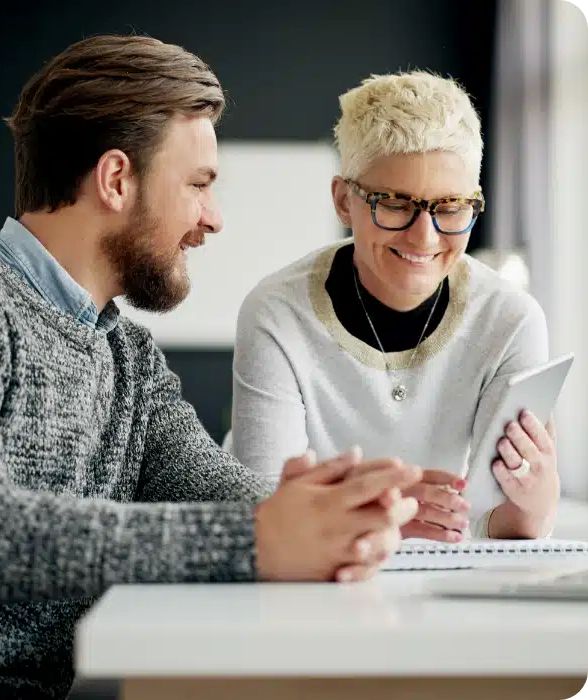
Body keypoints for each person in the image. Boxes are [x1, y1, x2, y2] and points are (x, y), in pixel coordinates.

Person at [0, 37, 423, 700]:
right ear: (115, 180)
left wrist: (334, 517)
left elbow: (217, 489)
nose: (213, 219)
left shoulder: (128, 358)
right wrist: (258, 538)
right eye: (198, 185)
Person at [231, 71, 560, 544]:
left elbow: (501, 527)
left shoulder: (511, 319)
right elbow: (263, 512)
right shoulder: (276, 313)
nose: (424, 237)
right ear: (344, 201)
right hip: (311, 574)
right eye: (394, 204)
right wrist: (381, 517)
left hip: (439, 566)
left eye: (450, 207)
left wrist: (536, 504)